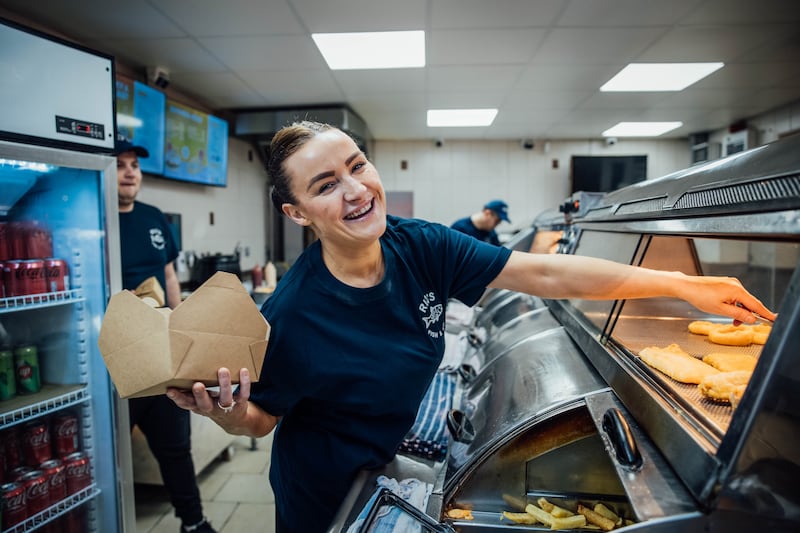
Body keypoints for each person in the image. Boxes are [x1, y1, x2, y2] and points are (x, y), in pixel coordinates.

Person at [165, 121, 775, 533]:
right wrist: (224, 413)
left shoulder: (421, 246)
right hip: (323, 494)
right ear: (296, 212)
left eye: (357, 166)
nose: (355, 191)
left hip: (381, 460)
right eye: (326, 186)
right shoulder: (293, 313)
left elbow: (547, 274)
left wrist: (688, 286)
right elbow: (264, 417)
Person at [116, 136, 216, 533]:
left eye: (134, 165)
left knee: (176, 445)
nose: (129, 171)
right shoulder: (94, 219)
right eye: (121, 164)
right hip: (115, 359)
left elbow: (170, 275)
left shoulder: (154, 217)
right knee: (111, 447)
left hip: (160, 355)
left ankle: (193, 522)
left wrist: (179, 328)